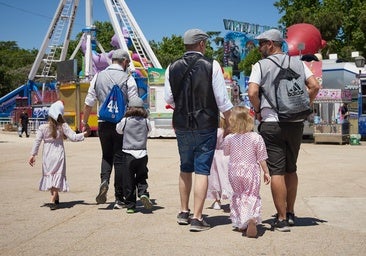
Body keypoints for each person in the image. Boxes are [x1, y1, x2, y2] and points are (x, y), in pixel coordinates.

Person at [248, 29, 320, 232]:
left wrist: (258, 110)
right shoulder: (299, 63)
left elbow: (253, 91)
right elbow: (314, 86)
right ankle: (290, 213)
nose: (260, 47)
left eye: (262, 43)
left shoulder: (260, 66)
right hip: (296, 122)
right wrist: (305, 104)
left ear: (271, 44)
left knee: (277, 171)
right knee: (292, 168)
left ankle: (280, 219)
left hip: (272, 123)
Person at [164, 28, 233, 232]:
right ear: (202, 44)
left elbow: (168, 99)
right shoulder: (212, 65)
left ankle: (183, 211)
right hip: (206, 124)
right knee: (202, 169)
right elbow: (222, 99)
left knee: (185, 167)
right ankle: (197, 217)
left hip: (182, 125)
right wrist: (228, 122)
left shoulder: (172, 67)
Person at [82, 49, 139, 207]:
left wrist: (85, 121)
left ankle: (104, 181)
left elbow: (89, 102)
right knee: (120, 158)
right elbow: (134, 104)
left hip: (103, 123)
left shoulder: (98, 77)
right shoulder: (128, 78)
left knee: (106, 156)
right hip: (121, 124)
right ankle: (119, 198)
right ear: (125, 61)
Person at [28, 100, 88, 210]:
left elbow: (37, 141)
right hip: (59, 154)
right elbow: (73, 137)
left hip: (48, 154)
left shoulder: (43, 127)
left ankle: (53, 196)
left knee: (50, 175)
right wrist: (84, 134)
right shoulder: (62, 126)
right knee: (57, 174)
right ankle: (56, 196)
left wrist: (33, 154)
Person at [222, 106, 270, 238]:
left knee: (238, 195)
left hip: (234, 170)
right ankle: (251, 219)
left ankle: (240, 222)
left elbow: (226, 152)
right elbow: (262, 158)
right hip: (251, 170)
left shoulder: (230, 138)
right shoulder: (256, 137)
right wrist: (266, 172)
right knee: (251, 194)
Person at [115, 96, 153, 213]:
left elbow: (118, 130)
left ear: (129, 108)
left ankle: (131, 205)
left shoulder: (125, 121)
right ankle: (143, 193)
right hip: (142, 153)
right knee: (142, 176)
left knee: (128, 180)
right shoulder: (146, 122)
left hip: (128, 153)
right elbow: (150, 130)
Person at [206, 113, 233, 210]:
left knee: (215, 179)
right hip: (228, 157)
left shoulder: (216, 132)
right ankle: (232, 199)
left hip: (215, 156)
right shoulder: (231, 133)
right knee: (228, 178)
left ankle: (217, 201)